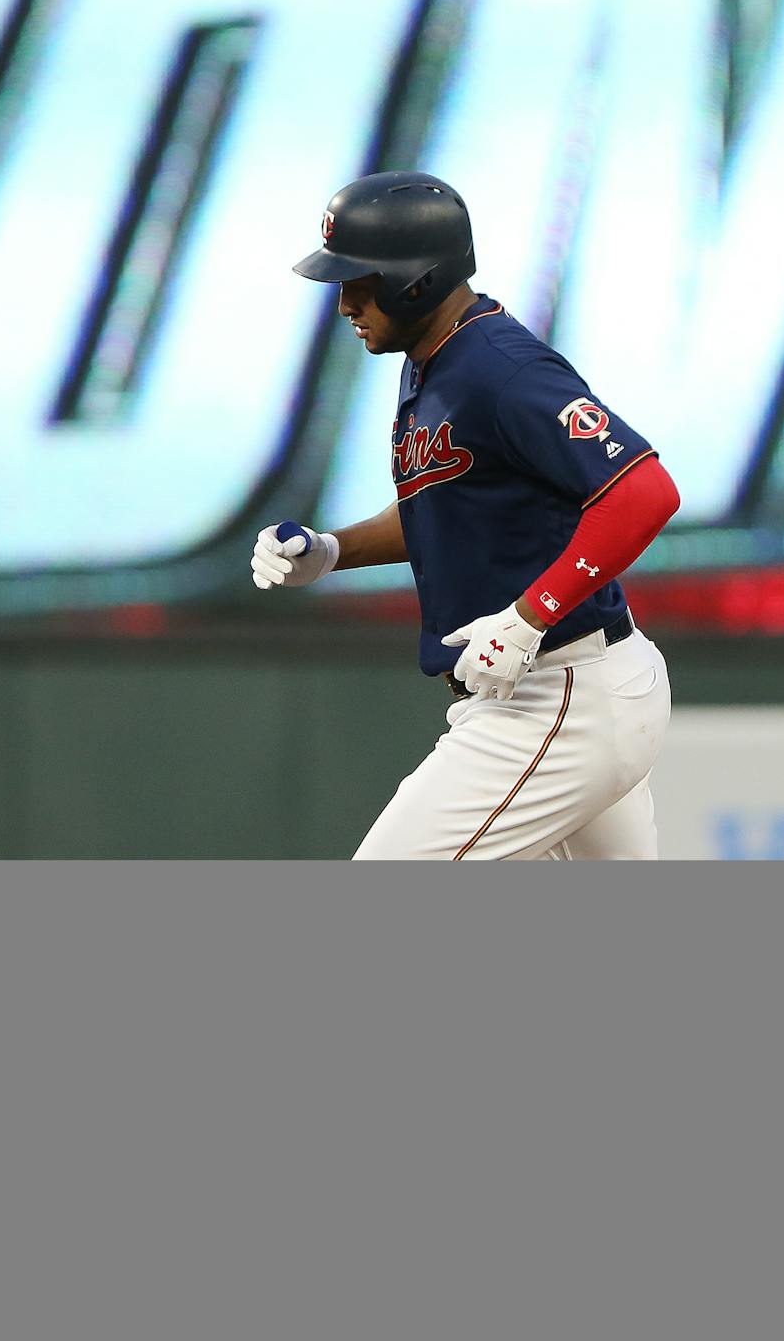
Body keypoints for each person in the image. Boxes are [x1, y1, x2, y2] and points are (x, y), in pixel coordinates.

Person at [252, 172, 680, 860]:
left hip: (559, 693)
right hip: (570, 686)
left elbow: (644, 491)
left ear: (415, 279)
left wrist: (529, 614)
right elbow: (447, 503)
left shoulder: (499, 367)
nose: (344, 303)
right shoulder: (434, 359)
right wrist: (334, 550)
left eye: (360, 281)